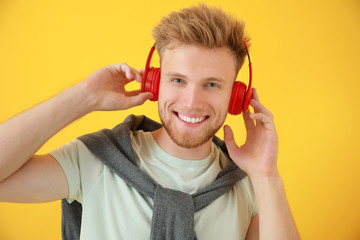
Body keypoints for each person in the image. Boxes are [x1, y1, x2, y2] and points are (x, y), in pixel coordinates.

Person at [0, 3, 300, 240]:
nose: (192, 101)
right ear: (155, 83)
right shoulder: (95, 160)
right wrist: (83, 97)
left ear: (237, 96)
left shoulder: (251, 185)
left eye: (212, 85)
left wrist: (266, 175)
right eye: (178, 80)